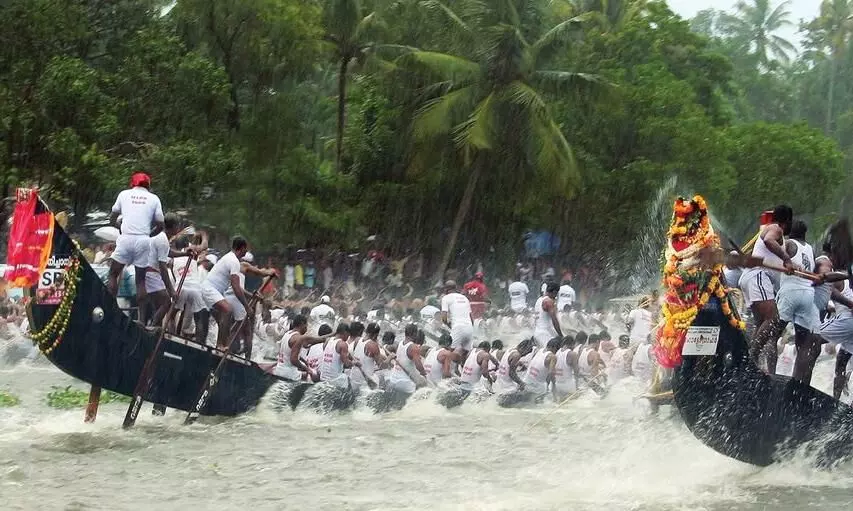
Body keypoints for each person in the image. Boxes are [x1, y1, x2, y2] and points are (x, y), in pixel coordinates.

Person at [738, 205, 795, 370]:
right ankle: (749, 361)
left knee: (761, 324)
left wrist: (792, 267)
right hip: (757, 276)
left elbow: (776, 258)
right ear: (787, 221)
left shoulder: (778, 234)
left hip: (752, 278)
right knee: (773, 318)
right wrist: (786, 259)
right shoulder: (775, 228)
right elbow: (768, 240)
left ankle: (751, 364)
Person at [107, 172, 165, 316]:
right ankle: (141, 320)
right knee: (140, 281)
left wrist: (119, 226)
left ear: (132, 184)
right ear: (148, 186)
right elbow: (160, 224)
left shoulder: (124, 194)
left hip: (126, 238)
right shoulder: (154, 198)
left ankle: (110, 309)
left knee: (113, 274)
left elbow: (112, 217)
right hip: (143, 240)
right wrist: (148, 235)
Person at [202, 237, 270, 349]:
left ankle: (221, 344)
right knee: (228, 310)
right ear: (242, 248)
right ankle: (221, 345)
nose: (246, 252)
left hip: (215, 291)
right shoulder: (233, 261)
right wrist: (247, 307)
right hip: (210, 289)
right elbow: (236, 287)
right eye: (246, 249)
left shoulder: (231, 259)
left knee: (223, 319)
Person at [772, 220, 819, 376]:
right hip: (808, 296)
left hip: (791, 292)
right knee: (803, 344)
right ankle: (798, 382)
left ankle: (766, 373)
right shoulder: (811, 249)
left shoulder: (789, 243)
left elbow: (772, 249)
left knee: (772, 334)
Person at [274, 314, 329, 381]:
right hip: (289, 374)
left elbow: (289, 353)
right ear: (302, 324)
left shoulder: (287, 334)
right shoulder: (299, 338)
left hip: (279, 370)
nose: (307, 328)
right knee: (314, 376)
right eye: (306, 325)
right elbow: (293, 360)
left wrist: (304, 361)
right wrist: (307, 369)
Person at [387, 324, 428, 397]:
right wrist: (424, 374)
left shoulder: (400, 343)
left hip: (393, 379)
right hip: (406, 383)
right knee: (424, 390)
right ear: (414, 334)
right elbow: (418, 366)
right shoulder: (413, 347)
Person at [440, 281, 474, 360]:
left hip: (458, 327)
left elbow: (444, 318)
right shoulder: (465, 298)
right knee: (465, 354)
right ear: (455, 288)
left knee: (448, 352)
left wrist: (449, 325)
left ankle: (448, 370)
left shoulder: (446, 298)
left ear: (446, 289)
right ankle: (461, 370)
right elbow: (471, 318)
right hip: (469, 328)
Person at [319, 323, 357, 389]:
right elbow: (347, 364)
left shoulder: (327, 341)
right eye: (348, 335)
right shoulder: (342, 344)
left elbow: (333, 356)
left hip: (323, 378)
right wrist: (354, 363)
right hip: (334, 379)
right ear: (345, 333)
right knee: (349, 380)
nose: (348, 338)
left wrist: (351, 357)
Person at [350, 322, 385, 391]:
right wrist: (390, 358)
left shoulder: (357, 340)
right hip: (365, 384)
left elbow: (363, 354)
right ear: (376, 335)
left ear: (366, 331)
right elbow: (382, 365)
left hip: (354, 379)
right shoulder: (373, 345)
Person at [533, 282, 562, 348]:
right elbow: (554, 320)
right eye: (556, 294)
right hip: (544, 334)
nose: (556, 296)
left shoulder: (539, 300)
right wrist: (560, 335)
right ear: (554, 292)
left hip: (537, 332)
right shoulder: (548, 301)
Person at [553, 336, 579, 401]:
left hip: (557, 385)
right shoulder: (573, 354)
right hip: (568, 385)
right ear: (573, 344)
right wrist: (577, 387)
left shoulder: (557, 352)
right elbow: (576, 372)